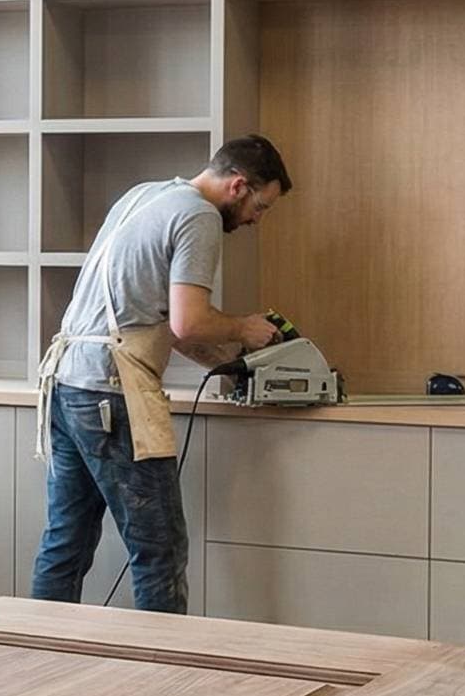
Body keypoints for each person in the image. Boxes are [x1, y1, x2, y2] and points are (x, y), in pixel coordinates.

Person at [29, 134, 291, 612]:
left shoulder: (145, 195)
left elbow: (157, 321)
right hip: (112, 396)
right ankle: (164, 677)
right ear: (238, 186)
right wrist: (245, 329)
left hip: (68, 387)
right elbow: (189, 321)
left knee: (66, 542)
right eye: (262, 206)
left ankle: (35, 655)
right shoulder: (200, 217)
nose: (256, 220)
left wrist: (232, 368)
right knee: (160, 550)